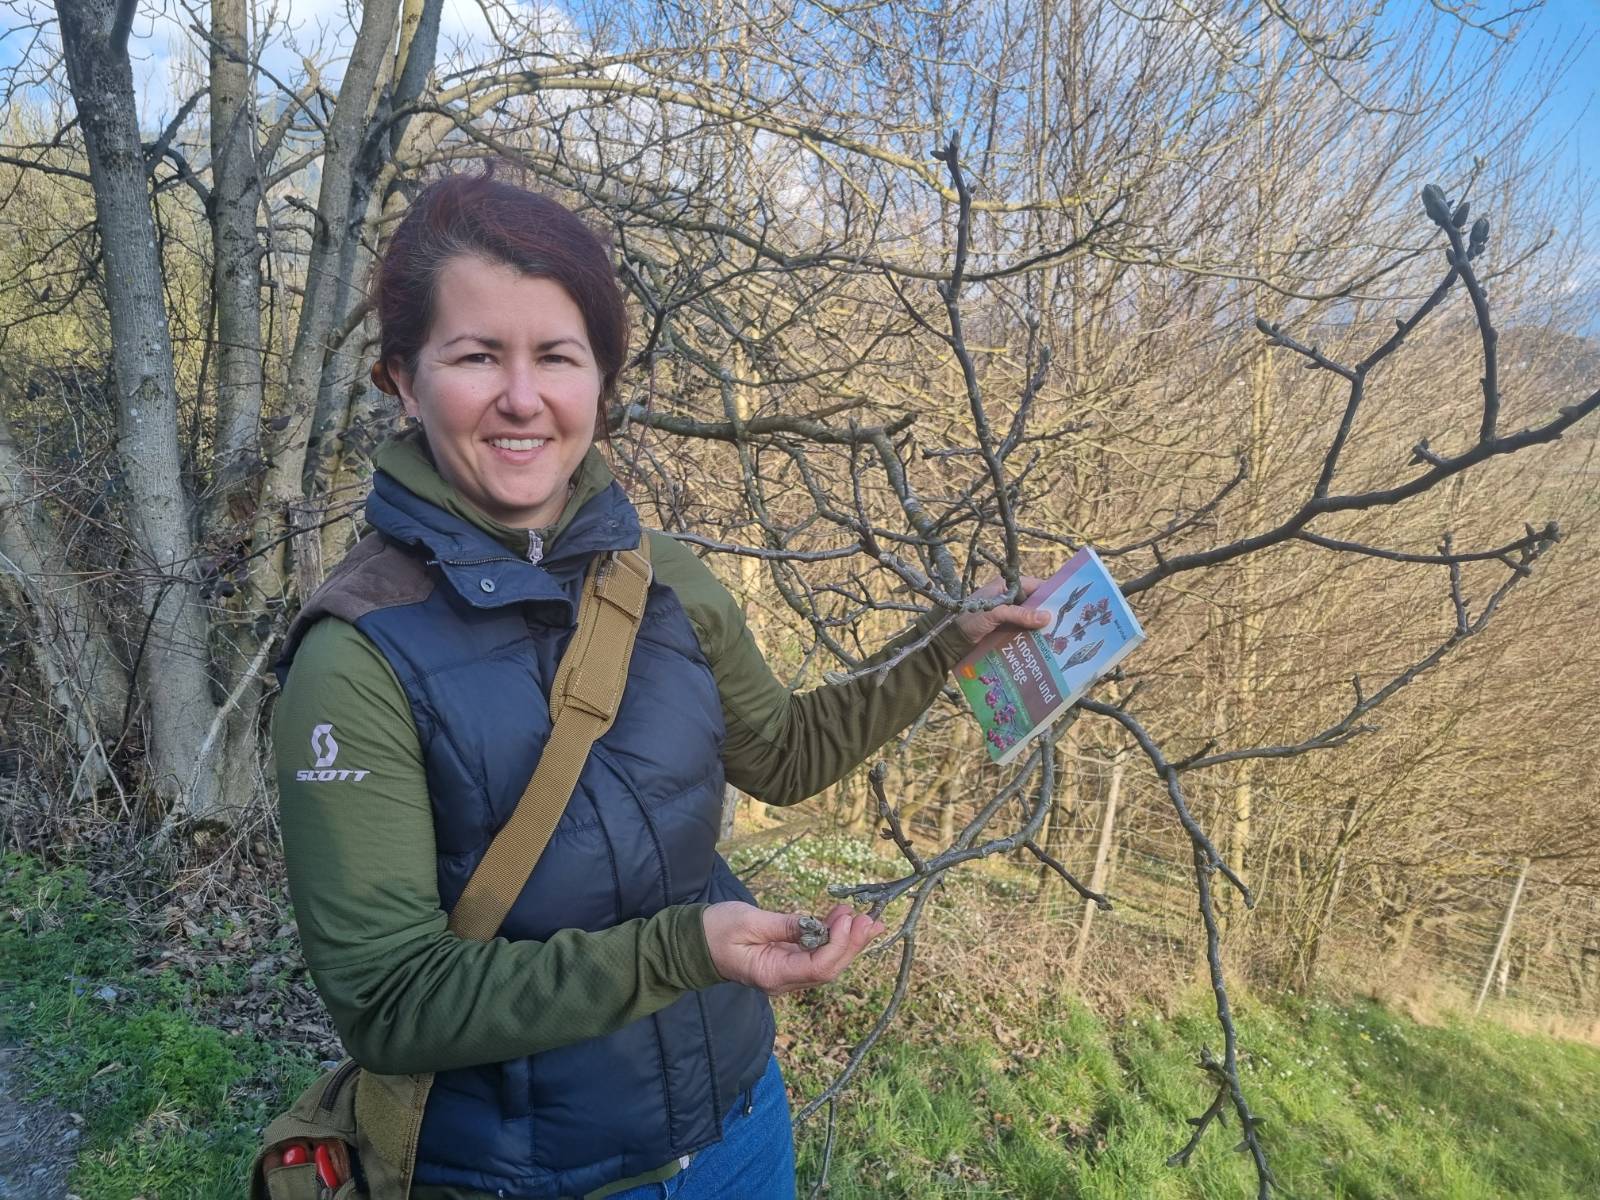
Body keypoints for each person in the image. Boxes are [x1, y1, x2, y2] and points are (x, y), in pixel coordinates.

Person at [272, 171, 1048, 1200]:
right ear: (405, 383)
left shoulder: (660, 576)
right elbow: (392, 1002)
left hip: (737, 1126)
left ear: (601, 386)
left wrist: (945, 648)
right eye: (476, 355)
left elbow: (786, 754)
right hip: (528, 1177)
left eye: (557, 356)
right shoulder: (356, 657)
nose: (522, 396)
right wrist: (685, 950)